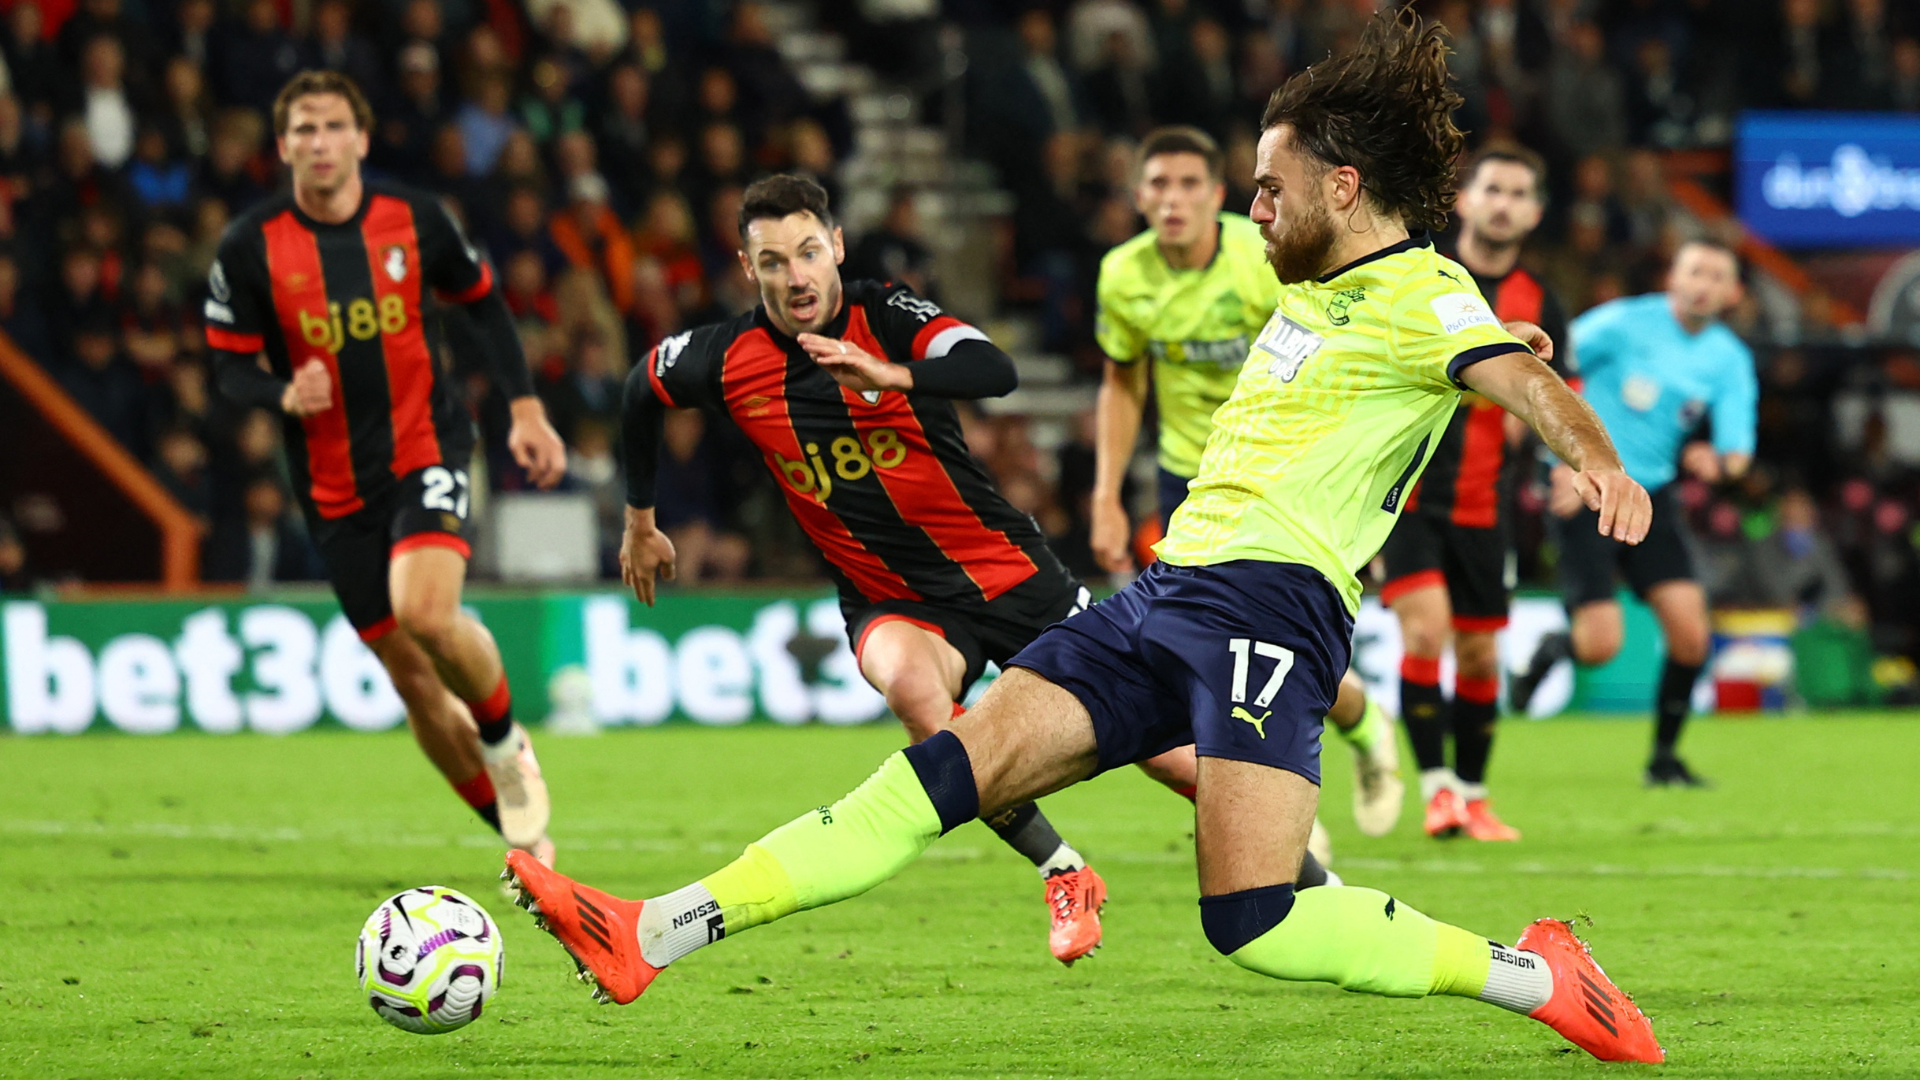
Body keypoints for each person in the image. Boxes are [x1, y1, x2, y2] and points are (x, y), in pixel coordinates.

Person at [507, 12, 1664, 1064]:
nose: (1251, 208)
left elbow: (1518, 379)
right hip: (1165, 595)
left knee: (1258, 922)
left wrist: (1597, 461)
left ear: (1344, 185)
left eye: (1268, 187)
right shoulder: (1314, 288)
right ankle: (649, 932)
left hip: (1273, 609)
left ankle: (1536, 974)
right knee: (931, 780)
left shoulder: (1425, 290)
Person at [613, 174, 1342, 967]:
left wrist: (893, 376)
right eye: (774, 260)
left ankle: (1324, 893)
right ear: (748, 269)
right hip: (889, 597)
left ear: (838, 248)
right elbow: (637, 390)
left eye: (810, 252)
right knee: (918, 696)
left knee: (1175, 762)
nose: (796, 277)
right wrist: (641, 520)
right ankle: (1064, 871)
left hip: (1009, 575)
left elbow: (992, 367)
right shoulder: (725, 359)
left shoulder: (887, 313)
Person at [205, 72, 567, 864]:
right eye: (304, 129)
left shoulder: (415, 220)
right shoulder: (249, 246)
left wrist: (526, 407)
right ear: (283, 145)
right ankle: (522, 839)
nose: (320, 142)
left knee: (427, 616)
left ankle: (505, 742)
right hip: (333, 486)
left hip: (427, 443)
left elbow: (481, 305)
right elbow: (226, 367)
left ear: (362, 139)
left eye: (334, 126)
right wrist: (278, 391)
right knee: (409, 675)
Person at [1088, 125, 1401, 842]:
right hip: (1192, 483)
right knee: (1203, 657)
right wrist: (1106, 495)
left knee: (1268, 654)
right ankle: (1285, 814)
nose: (1174, 200)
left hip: (1285, 474)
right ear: (1138, 197)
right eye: (1159, 185)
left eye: (1189, 184)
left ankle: (1358, 728)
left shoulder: (1263, 257)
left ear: (1217, 195)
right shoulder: (1123, 275)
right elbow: (1122, 382)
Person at [1509, 239, 1756, 788]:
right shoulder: (1621, 323)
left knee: (1692, 636)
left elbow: (1738, 453)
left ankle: (1663, 760)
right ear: (1674, 276)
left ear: (1732, 293)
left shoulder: (1729, 359)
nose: (1703, 284)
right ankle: (1555, 650)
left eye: (1717, 277)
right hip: (1588, 486)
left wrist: (1714, 462)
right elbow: (1545, 373)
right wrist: (1557, 459)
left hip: (1654, 495)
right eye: (1695, 271)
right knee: (1601, 646)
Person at [1378, 146, 1570, 841]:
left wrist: (1571, 467)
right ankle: (1437, 794)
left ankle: (1475, 794)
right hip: (1407, 497)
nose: (1504, 202)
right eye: (1493, 188)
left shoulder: (1542, 300)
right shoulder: (1422, 277)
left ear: (1534, 212)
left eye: (1519, 193)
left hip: (1485, 506)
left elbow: (1559, 393)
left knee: (1482, 655)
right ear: (1464, 198)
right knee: (1425, 632)